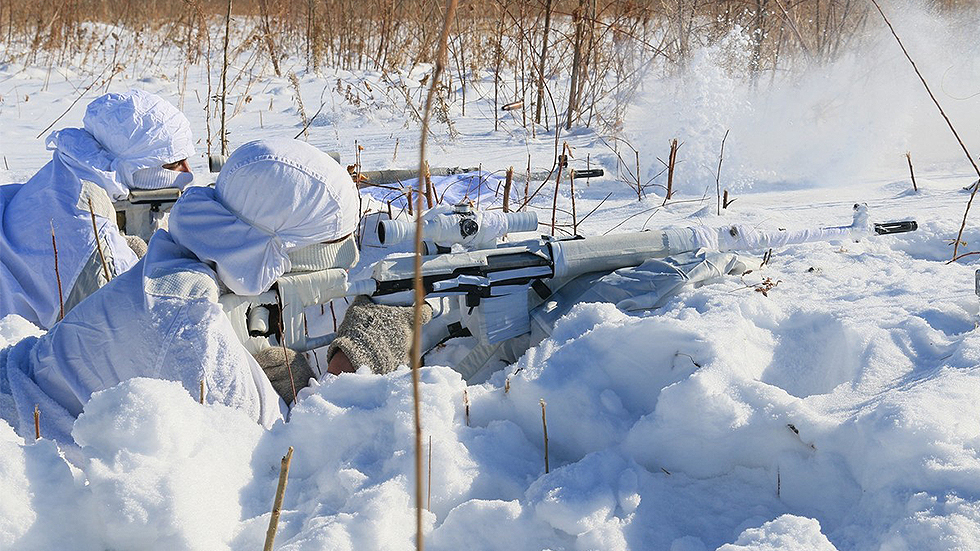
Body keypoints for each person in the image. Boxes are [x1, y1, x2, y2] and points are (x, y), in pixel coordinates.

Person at [0, 138, 428, 443]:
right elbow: (286, 465)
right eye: (331, 246)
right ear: (274, 249)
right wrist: (357, 363)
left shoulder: (176, 263)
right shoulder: (189, 329)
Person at [0, 89, 195, 330]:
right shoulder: (94, 236)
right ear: (133, 164)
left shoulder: (66, 174)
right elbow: (143, 327)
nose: (188, 174)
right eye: (174, 164)